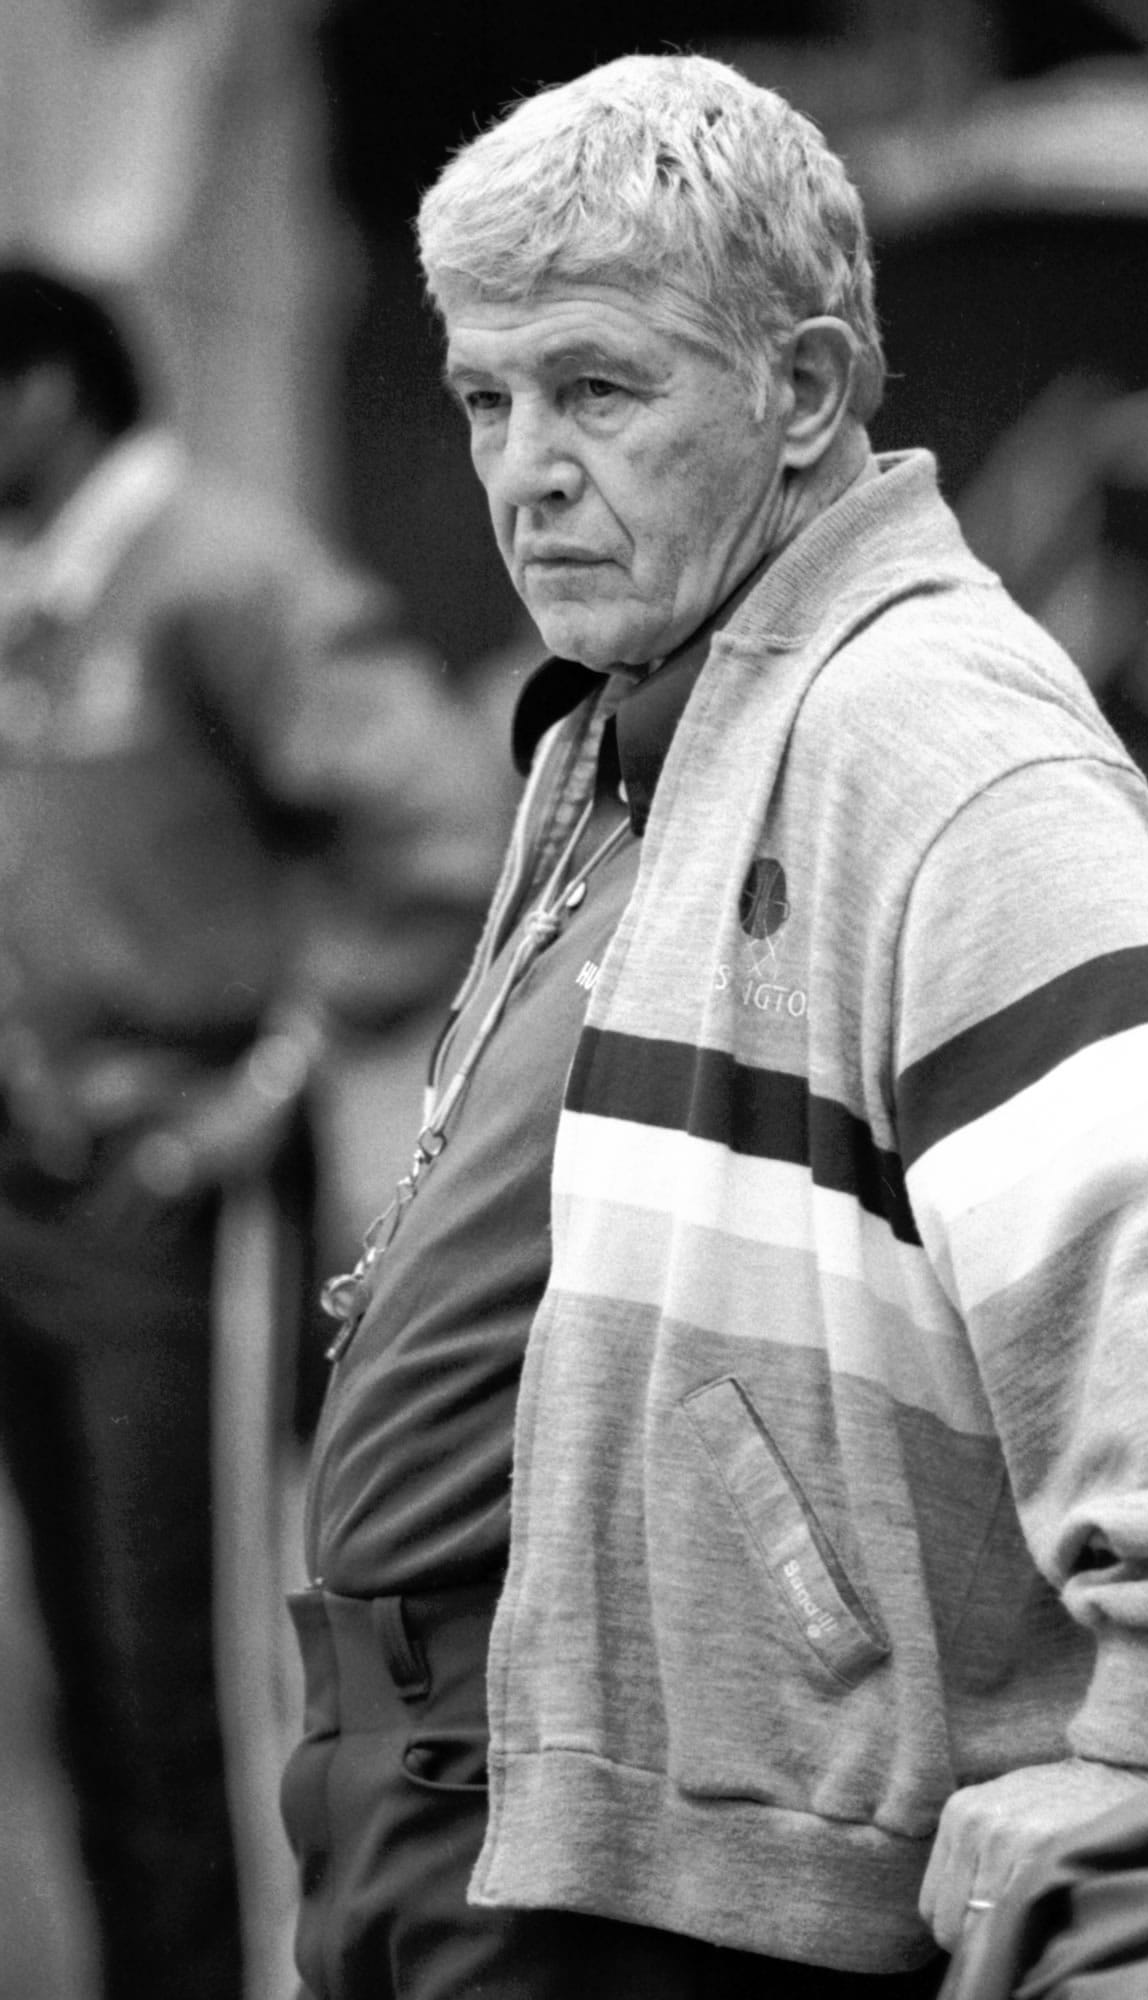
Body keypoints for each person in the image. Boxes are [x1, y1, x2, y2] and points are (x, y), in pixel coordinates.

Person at [283, 52, 1148, 2000]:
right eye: (481, 397)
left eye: (599, 387)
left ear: (800, 391)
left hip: (680, 1877)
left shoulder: (933, 735)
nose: (526, 462)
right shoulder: (639, 709)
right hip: (484, 1788)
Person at [0, 262, 499, 2000]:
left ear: (46, 395)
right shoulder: (38, 601)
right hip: (40, 1194)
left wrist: (274, 1073)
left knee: (187, 1685)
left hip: (175, 1210)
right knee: (87, 1693)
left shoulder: (217, 571)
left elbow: (444, 830)